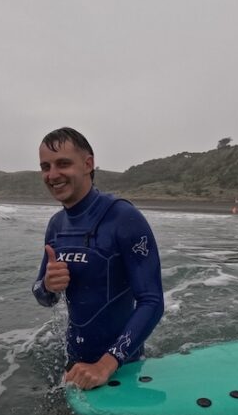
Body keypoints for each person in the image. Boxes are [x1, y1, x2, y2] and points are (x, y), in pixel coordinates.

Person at [33, 127, 164, 390]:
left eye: (63, 164)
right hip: (74, 366)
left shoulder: (123, 218)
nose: (53, 175)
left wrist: (106, 364)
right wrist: (48, 285)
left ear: (88, 164)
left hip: (123, 368)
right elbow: (43, 296)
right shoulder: (56, 225)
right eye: (46, 167)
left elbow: (152, 301)